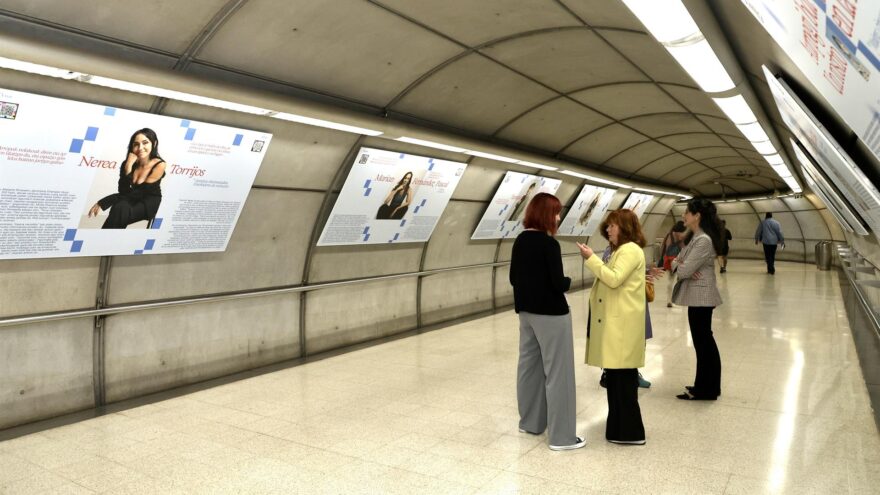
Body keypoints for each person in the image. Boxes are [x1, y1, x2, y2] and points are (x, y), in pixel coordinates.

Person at [509, 193, 584, 451]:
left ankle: (530, 422)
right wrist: (569, 281)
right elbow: (557, 282)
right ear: (546, 215)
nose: (558, 217)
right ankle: (562, 437)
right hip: (552, 315)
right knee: (559, 373)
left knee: (528, 368)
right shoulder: (549, 244)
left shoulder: (520, 241)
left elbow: (513, 279)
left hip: (526, 313)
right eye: (556, 212)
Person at [577, 209, 647, 445]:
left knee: (624, 381)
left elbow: (614, 278)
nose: (608, 230)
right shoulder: (622, 250)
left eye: (613, 226)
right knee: (616, 380)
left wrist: (591, 259)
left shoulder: (630, 250)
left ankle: (631, 432)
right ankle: (618, 429)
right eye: (607, 226)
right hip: (617, 324)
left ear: (625, 227)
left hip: (622, 326)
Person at [672, 198, 724, 400]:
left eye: (687, 212)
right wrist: (682, 264)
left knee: (704, 342)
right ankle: (705, 385)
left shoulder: (703, 240)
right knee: (703, 342)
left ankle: (707, 389)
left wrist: (682, 265)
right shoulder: (697, 237)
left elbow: (682, 268)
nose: (684, 215)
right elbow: (677, 262)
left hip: (701, 297)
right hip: (698, 298)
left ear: (697, 216)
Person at [88, 128, 166, 229]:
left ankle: (104, 238)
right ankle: (109, 239)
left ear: (154, 143)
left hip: (148, 202)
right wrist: (128, 166)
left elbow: (139, 193)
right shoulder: (128, 163)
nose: (140, 148)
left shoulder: (160, 165)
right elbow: (123, 190)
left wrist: (104, 202)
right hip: (130, 199)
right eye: (136, 144)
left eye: (145, 143)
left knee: (120, 207)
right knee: (121, 207)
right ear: (132, 147)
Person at [661, 221, 687, 308]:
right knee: (681, 279)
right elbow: (684, 248)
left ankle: (669, 300)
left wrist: (662, 257)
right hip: (679, 260)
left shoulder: (670, 235)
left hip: (669, 259)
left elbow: (664, 246)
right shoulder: (683, 236)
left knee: (670, 280)